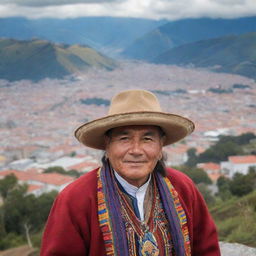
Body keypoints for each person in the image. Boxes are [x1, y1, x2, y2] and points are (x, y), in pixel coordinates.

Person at [40, 89, 221, 256]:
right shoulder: (76, 199)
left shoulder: (182, 187)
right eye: (124, 138)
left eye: (147, 139)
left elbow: (206, 249)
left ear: (160, 147)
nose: (136, 150)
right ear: (107, 145)